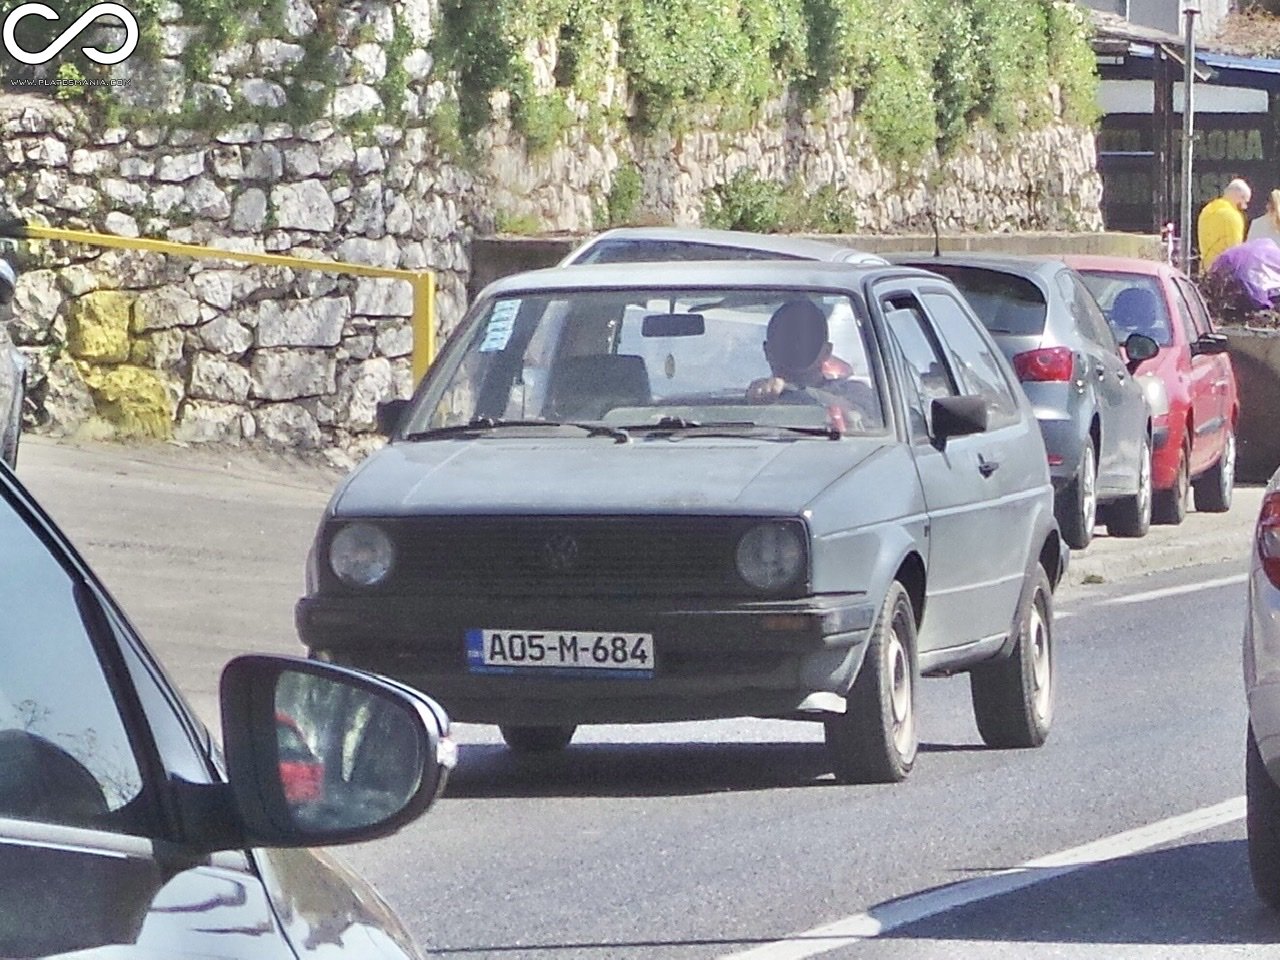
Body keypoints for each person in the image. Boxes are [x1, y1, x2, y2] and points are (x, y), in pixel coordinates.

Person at [746, 299, 879, 428]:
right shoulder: (750, 400)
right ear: (768, 350)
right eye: (787, 340)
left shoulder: (856, 393)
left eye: (807, 341)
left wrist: (800, 393)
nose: (796, 347)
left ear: (827, 351)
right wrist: (755, 407)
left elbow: (866, 421)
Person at [1198, 178, 1251, 272]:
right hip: (1224, 273)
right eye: (1245, 202)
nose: (1245, 207)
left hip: (1205, 269)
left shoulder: (1207, 210)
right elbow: (1235, 251)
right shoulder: (1233, 216)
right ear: (1240, 197)